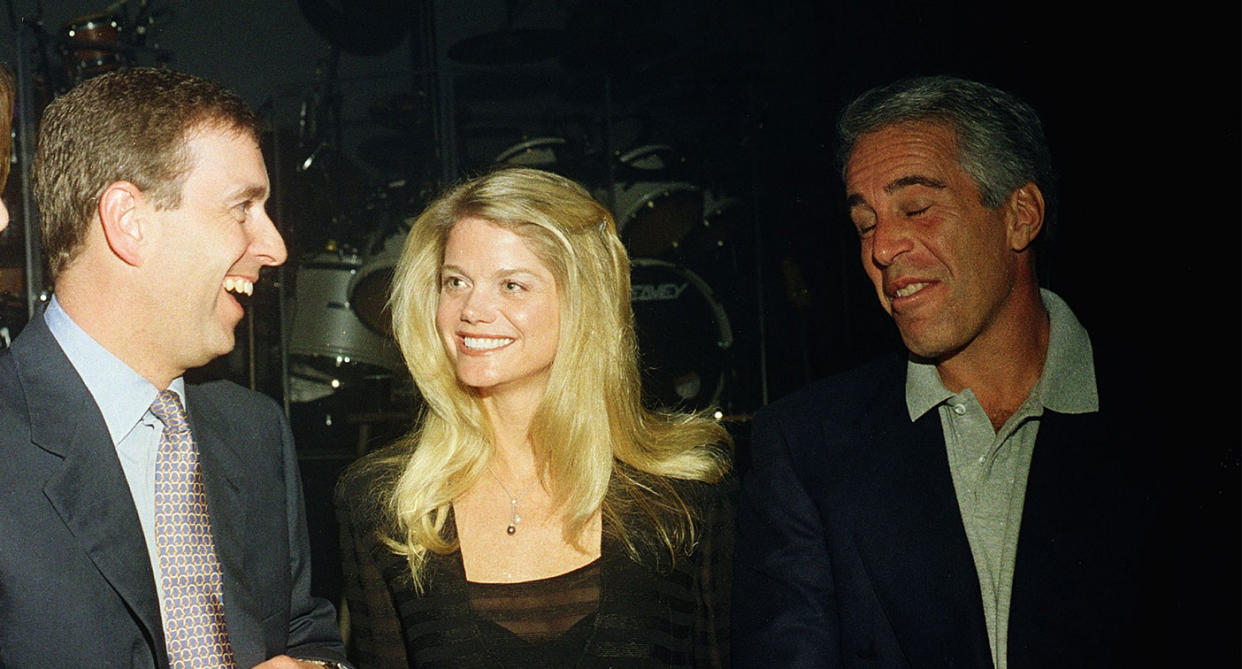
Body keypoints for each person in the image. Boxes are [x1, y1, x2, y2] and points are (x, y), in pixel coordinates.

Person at [733, 76, 1164, 668]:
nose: (882, 247)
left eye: (916, 208)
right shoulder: (807, 445)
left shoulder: (1180, 425)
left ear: (1021, 216)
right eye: (865, 224)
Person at [0, 67, 349, 668]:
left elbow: (307, 631)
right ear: (129, 222)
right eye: (242, 207)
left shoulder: (255, 431)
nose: (276, 247)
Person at [335, 167, 733, 668]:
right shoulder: (387, 506)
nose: (471, 310)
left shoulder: (683, 495)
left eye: (512, 285)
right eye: (455, 282)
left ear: (583, 303)